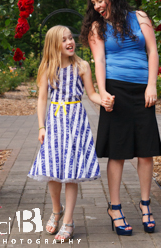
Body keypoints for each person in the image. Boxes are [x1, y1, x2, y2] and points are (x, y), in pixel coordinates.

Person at [80, 0, 161, 235]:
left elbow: (152, 51)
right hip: (116, 89)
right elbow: (100, 60)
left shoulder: (139, 17)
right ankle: (115, 207)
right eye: (94, 3)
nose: (97, 6)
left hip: (142, 90)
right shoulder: (97, 26)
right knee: (117, 152)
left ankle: (145, 204)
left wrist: (152, 85)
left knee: (145, 150)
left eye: (100, 0)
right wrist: (103, 92)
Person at [28, 25, 107, 242]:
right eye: (64, 40)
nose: (70, 42)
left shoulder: (82, 66)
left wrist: (105, 100)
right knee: (52, 170)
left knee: (71, 172)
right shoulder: (48, 68)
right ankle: (56, 209)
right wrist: (41, 126)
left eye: (70, 38)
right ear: (55, 45)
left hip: (76, 122)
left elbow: (91, 94)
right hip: (54, 122)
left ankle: (69, 221)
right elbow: (42, 98)